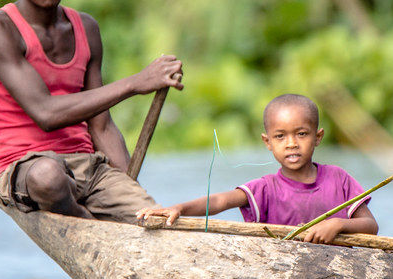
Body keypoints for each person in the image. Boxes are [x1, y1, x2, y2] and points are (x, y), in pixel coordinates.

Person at [0, 0, 183, 220]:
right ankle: (84, 220)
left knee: (153, 218)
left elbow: (101, 125)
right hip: (27, 170)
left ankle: (107, 216)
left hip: (88, 166)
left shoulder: (86, 27)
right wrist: (135, 83)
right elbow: (46, 114)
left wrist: (130, 191)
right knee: (48, 176)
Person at [137, 94, 378, 244]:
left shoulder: (338, 178)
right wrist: (179, 208)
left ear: (318, 137)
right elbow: (220, 201)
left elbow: (371, 227)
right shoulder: (264, 188)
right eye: (280, 136)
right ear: (268, 142)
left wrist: (336, 225)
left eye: (301, 134)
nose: (292, 143)